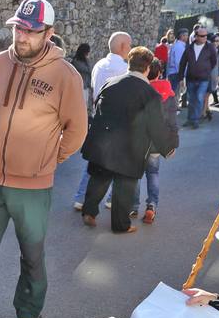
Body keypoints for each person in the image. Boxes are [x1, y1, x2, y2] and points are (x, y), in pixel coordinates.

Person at [0, 0, 87, 318]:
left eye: (31, 31)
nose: (22, 36)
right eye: (19, 28)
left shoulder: (66, 76)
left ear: (49, 33)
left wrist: (49, 159)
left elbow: (76, 130)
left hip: (33, 184)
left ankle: (27, 312)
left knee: (31, 251)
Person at [80, 46, 173, 233]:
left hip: (103, 142)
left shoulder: (110, 83)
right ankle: (121, 225)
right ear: (147, 68)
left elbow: (97, 111)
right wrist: (167, 148)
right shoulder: (150, 94)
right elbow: (156, 126)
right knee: (125, 187)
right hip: (131, 147)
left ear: (129, 63)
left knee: (99, 179)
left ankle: (89, 212)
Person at [73, 31, 131, 210]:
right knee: (119, 162)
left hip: (99, 118)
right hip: (118, 121)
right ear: (122, 47)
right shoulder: (124, 69)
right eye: (129, 45)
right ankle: (112, 199)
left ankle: (81, 198)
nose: (130, 49)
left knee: (94, 161)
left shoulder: (98, 65)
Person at [141, 57, 180, 224]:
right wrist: (173, 143)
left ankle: (133, 207)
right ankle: (151, 205)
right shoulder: (169, 94)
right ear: (160, 73)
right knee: (153, 173)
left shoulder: (141, 90)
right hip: (158, 143)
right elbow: (172, 122)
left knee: (135, 175)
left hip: (139, 141)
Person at [179, 25, 218, 129]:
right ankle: (190, 119)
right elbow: (183, 63)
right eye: (202, 36)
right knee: (191, 99)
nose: (205, 37)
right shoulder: (189, 48)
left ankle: (195, 120)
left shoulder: (210, 47)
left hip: (203, 79)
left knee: (199, 98)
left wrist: (206, 69)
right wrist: (180, 78)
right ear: (196, 36)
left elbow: (214, 62)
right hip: (190, 78)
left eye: (206, 35)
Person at [71, 43, 94, 111]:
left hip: (85, 87)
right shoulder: (76, 62)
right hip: (79, 87)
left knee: (84, 106)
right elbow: (88, 70)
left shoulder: (85, 61)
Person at [166, 31, 187, 102]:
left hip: (173, 73)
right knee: (174, 95)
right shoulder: (179, 47)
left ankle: (172, 109)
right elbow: (179, 62)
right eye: (186, 35)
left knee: (173, 94)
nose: (187, 37)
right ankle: (172, 110)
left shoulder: (177, 45)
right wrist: (181, 76)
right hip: (176, 73)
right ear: (182, 36)